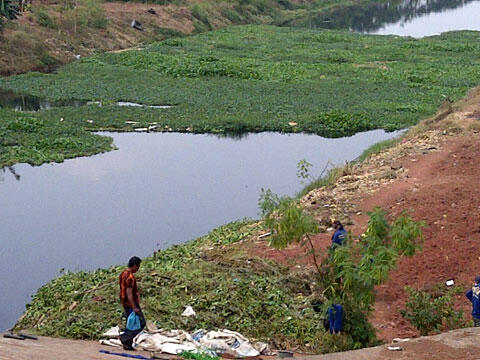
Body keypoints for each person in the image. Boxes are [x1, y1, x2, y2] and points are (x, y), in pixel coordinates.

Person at [119, 256, 146, 350]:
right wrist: (134, 307)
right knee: (141, 323)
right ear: (134, 265)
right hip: (131, 304)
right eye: (138, 267)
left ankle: (128, 345)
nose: (138, 269)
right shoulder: (130, 277)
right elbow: (129, 293)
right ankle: (125, 338)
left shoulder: (123, 273)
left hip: (124, 303)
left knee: (130, 324)